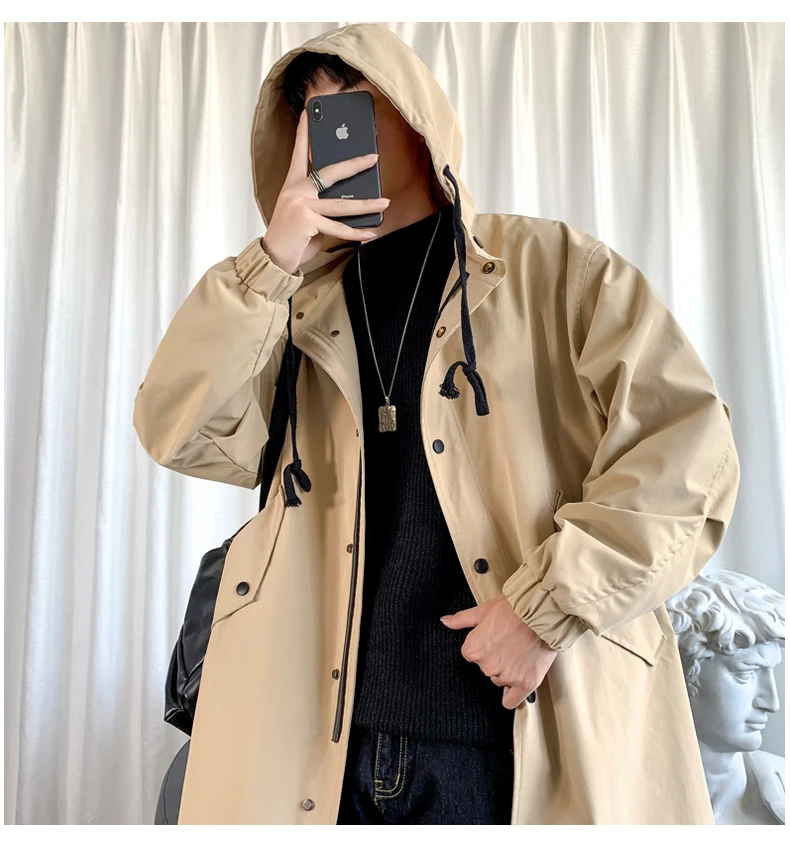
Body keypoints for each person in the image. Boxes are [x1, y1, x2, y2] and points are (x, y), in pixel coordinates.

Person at [134, 23, 741, 825]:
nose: (331, 134)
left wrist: (547, 605)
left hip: (509, 746)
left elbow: (690, 452)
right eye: (312, 115)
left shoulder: (554, 270)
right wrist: (270, 262)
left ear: (417, 114)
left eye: (352, 104)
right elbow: (178, 428)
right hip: (315, 758)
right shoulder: (289, 309)